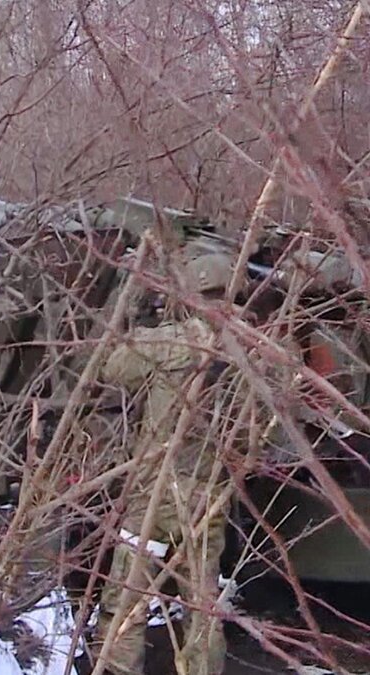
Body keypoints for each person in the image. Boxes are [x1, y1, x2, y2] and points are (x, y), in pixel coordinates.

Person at [94, 252, 239, 675]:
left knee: (126, 599)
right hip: (208, 497)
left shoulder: (170, 342)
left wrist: (132, 305)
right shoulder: (260, 354)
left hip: (153, 496)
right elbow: (255, 437)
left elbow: (110, 366)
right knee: (201, 607)